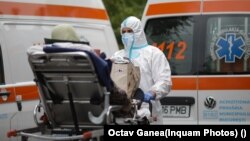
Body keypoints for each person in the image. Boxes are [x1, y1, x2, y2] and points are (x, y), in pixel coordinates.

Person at [111, 16, 172, 124]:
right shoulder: (117, 55)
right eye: (123, 32)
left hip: (147, 109)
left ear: (138, 32)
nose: (126, 35)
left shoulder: (153, 53)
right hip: (121, 111)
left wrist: (153, 92)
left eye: (130, 31)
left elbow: (165, 80)